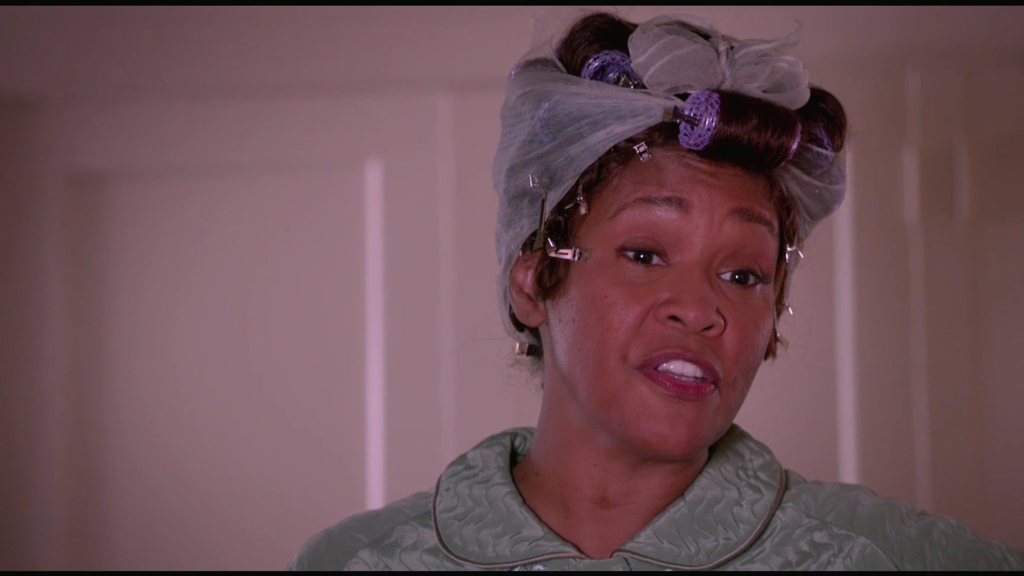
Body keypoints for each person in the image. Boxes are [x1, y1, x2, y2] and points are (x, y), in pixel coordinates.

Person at [288, 10, 1024, 570]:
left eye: (743, 275)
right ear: (533, 282)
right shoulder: (357, 562)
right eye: (645, 254)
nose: (701, 310)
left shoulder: (893, 557)